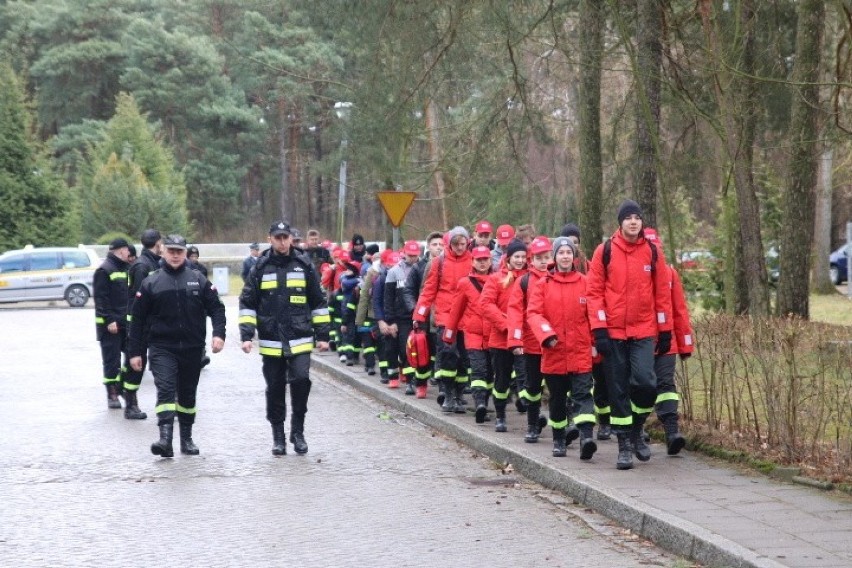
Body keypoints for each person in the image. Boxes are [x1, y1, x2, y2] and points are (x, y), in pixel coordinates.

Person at [586, 200, 673, 470]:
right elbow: (594, 292)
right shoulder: (605, 251)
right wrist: (599, 328)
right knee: (618, 388)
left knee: (646, 383)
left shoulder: (652, 252)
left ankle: (636, 429)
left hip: (644, 330)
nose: (633, 222)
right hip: (613, 332)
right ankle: (624, 444)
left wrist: (666, 328)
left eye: (637, 217)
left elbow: (662, 294)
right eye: (628, 218)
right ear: (620, 222)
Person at [128, 235, 226, 458]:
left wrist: (219, 335)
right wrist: (135, 352)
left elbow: (217, 309)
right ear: (162, 251)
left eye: (179, 251)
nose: (174, 255)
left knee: (187, 396)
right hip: (162, 347)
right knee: (165, 389)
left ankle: (187, 438)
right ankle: (164, 439)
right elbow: (138, 320)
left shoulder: (198, 279)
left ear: (184, 253)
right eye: (170, 250)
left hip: (192, 348)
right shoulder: (151, 282)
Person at [239, 221, 330, 455]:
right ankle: (278, 436)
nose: (281, 241)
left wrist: (323, 335)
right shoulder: (260, 267)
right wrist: (247, 335)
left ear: (291, 239)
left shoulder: (304, 264)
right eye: (277, 237)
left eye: (285, 237)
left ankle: (297, 432)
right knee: (276, 388)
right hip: (271, 340)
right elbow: (248, 303)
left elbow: (318, 302)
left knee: (301, 381)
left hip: (299, 337)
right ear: (269, 239)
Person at [527, 237, 597, 459]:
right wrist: (546, 335)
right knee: (557, 398)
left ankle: (587, 437)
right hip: (554, 351)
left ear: (574, 257)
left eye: (569, 252)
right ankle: (558, 438)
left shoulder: (586, 283)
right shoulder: (542, 285)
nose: (565, 256)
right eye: (561, 252)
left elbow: (594, 315)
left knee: (583, 395)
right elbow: (534, 314)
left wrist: (596, 343)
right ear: (554, 257)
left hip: (580, 351)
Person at [644, 228, 694, 455]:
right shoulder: (633, 273)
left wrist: (685, 343)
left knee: (666, 386)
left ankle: (672, 432)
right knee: (641, 386)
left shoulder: (670, 274)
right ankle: (638, 429)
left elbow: (679, 311)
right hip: (638, 340)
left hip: (667, 341)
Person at [413, 227, 473, 412]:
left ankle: (459, 393)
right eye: (456, 244)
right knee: (448, 354)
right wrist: (419, 315)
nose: (460, 247)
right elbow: (428, 290)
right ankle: (447, 393)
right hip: (445, 316)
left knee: (464, 358)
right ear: (449, 244)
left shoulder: (473, 261)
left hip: (467, 316)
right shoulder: (439, 262)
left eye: (463, 244)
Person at [507, 236, 552, 443]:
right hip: (532, 345)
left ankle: (565, 424)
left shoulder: (557, 278)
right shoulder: (523, 282)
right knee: (533, 387)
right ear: (530, 260)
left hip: (555, 345)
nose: (543, 261)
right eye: (538, 257)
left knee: (560, 388)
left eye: (546, 256)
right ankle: (532, 425)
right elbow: (515, 312)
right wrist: (515, 341)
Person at [480, 238, 528, 431]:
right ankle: (500, 416)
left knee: (527, 377)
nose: (520, 260)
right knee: (502, 379)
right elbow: (486, 304)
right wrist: (507, 325)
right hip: (501, 340)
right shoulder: (496, 279)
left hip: (525, 339)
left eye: (524, 257)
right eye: (517, 256)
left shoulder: (530, 278)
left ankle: (533, 417)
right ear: (509, 258)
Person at [441, 245, 494, 420]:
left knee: (490, 372)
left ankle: (484, 404)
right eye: (479, 260)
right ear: (473, 262)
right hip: (473, 334)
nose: (482, 263)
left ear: (490, 260)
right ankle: (479, 404)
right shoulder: (465, 283)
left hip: (494, 335)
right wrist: (449, 333)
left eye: (485, 259)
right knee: (478, 370)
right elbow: (456, 310)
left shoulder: (498, 280)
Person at [123, 228, 164, 420]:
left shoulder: (153, 262)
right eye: (162, 243)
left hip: (152, 321)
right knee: (137, 364)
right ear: (157, 244)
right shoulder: (142, 266)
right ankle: (130, 405)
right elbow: (140, 298)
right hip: (140, 323)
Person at [94, 238, 132, 410]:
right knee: (112, 360)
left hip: (125, 322)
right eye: (127, 251)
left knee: (132, 356)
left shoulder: (124, 268)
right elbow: (101, 299)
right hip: (110, 325)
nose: (129, 254)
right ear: (121, 251)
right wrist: (109, 320)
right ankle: (112, 394)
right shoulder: (104, 270)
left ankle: (121, 385)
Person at [383, 241, 422, 389]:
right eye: (410, 255)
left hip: (411, 317)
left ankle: (410, 380)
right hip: (396, 317)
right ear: (404, 254)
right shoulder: (394, 271)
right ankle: (393, 376)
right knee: (391, 348)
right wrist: (390, 320)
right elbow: (388, 298)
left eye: (415, 255)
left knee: (407, 348)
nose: (412, 258)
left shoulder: (421, 269)